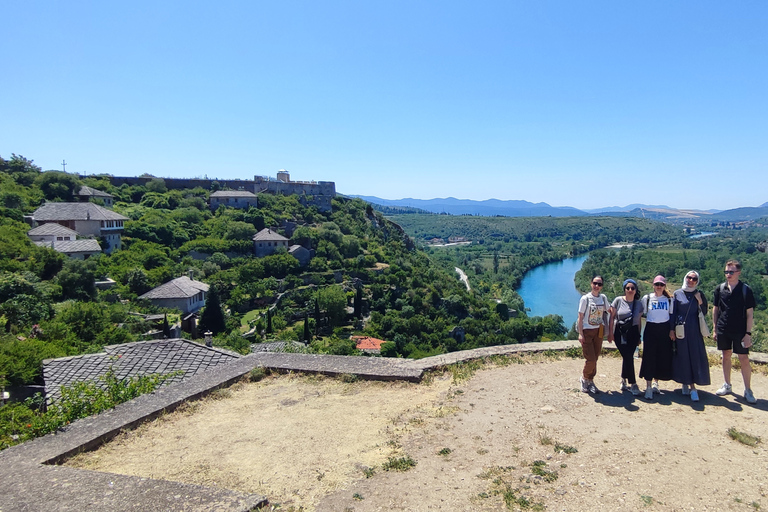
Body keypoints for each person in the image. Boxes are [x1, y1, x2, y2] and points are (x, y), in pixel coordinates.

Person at [713, 260, 757, 404]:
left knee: (743, 358)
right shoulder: (720, 289)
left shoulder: (746, 290)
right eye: (726, 271)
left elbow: (750, 313)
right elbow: (716, 309)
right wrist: (715, 328)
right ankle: (727, 385)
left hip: (740, 330)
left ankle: (748, 390)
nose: (728, 274)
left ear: (739, 272)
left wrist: (748, 333)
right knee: (726, 355)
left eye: (731, 272)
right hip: (723, 328)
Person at [671, 271, 710, 402]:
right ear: (685, 278)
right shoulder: (677, 293)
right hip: (681, 329)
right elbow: (673, 313)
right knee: (682, 356)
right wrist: (671, 330)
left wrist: (699, 301)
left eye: (694, 279)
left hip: (694, 330)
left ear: (697, 281)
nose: (690, 280)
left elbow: (704, 312)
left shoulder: (699, 294)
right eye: (689, 277)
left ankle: (693, 387)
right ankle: (685, 382)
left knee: (694, 356)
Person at [639, 275, 674, 400]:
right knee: (649, 356)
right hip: (651, 329)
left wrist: (671, 331)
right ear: (653, 285)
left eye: (661, 285)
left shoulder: (669, 300)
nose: (659, 287)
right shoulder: (647, 298)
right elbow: (640, 313)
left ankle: (655, 383)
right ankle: (648, 386)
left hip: (664, 329)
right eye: (657, 284)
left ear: (664, 286)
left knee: (660, 356)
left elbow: (671, 316)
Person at [609, 279, 643, 395]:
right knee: (628, 356)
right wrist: (610, 333)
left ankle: (623, 380)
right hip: (620, 332)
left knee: (628, 357)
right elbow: (612, 317)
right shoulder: (618, 301)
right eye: (627, 288)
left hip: (633, 333)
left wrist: (639, 336)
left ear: (635, 290)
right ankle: (633, 384)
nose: (630, 290)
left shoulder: (639, 304)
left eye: (632, 288)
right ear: (624, 289)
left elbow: (638, 321)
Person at [577, 275, 609, 394]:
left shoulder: (603, 298)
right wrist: (581, 334)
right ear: (591, 284)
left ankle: (591, 381)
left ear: (602, 286)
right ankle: (584, 378)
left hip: (598, 331)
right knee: (590, 359)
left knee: (595, 358)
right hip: (587, 331)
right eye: (595, 283)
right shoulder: (585, 299)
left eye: (599, 284)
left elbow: (609, 310)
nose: (597, 286)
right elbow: (580, 317)